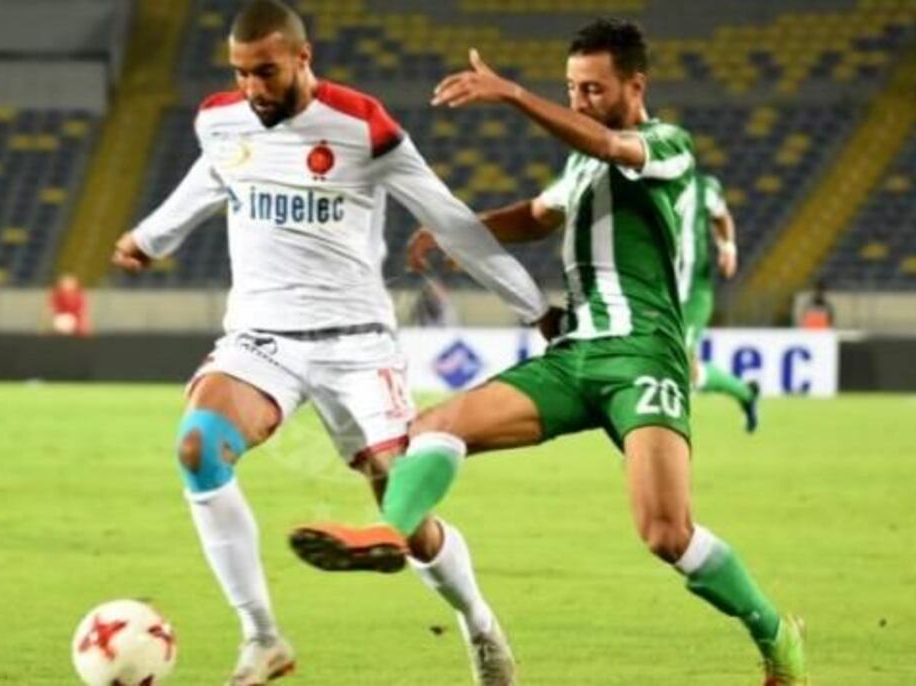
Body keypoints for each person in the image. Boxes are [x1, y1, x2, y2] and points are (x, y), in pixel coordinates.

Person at [289, 20, 808, 684]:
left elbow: (614, 146)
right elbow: (538, 216)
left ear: (636, 85)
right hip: (574, 351)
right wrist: (461, 232)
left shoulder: (668, 145)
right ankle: (393, 533)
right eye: (571, 88)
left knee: (666, 534)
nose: (579, 100)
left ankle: (775, 635)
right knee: (435, 426)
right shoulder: (580, 164)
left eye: (593, 89)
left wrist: (513, 93)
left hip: (643, 356)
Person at [110, 2, 549, 683]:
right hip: (261, 339)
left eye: (266, 72)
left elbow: (451, 221)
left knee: (403, 514)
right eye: (240, 72)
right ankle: (262, 638)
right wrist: (150, 238)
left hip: (357, 345)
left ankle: (479, 623)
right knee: (197, 447)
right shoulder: (220, 120)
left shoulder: (362, 126)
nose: (252, 88)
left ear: (302, 58)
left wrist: (532, 308)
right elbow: (213, 174)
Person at [678, 172, 760, 431]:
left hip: (693, 294)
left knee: (677, 364)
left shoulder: (702, 188)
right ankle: (745, 392)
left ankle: (658, 441)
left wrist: (728, 248)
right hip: (658, 292)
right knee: (685, 370)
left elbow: (721, 216)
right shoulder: (642, 183)